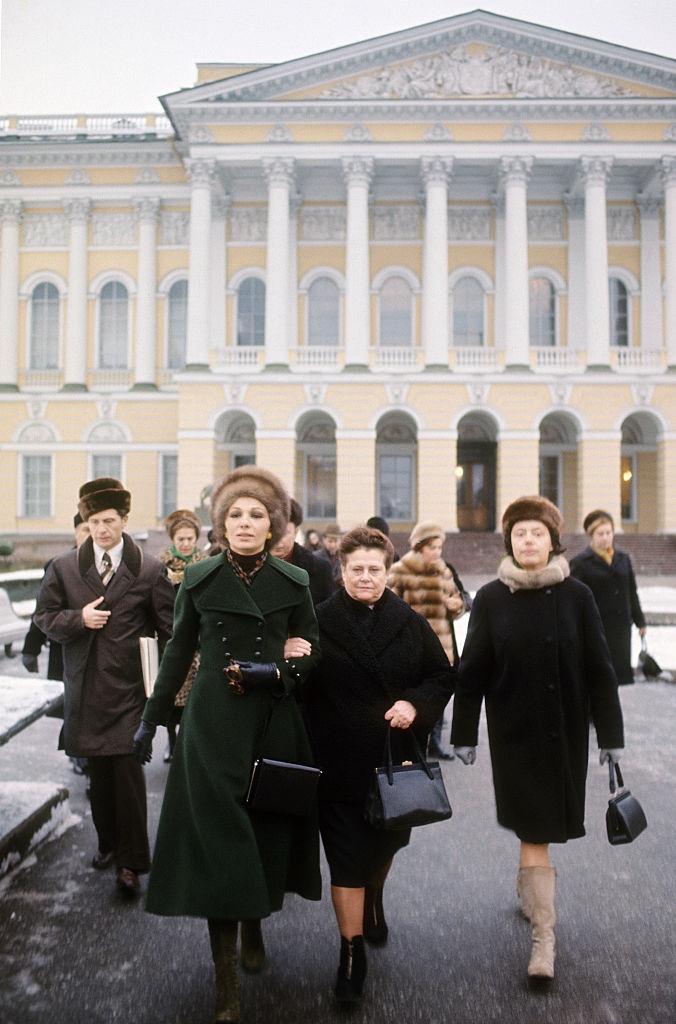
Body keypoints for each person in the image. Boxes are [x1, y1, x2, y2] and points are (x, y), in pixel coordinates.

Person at [133, 466, 321, 1024]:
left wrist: (279, 674)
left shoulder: (294, 583)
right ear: (221, 524)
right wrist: (150, 719)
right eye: (235, 514)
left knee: (261, 836)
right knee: (221, 846)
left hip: (272, 725)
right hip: (211, 726)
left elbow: (312, 654)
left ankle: (256, 925)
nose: (245, 522)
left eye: (256, 515)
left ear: (273, 526)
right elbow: (176, 653)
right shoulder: (199, 578)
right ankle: (226, 985)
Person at [451, 496, 624, 987]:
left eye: (537, 533)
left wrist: (611, 736)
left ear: (552, 541)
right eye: (520, 534)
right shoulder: (490, 598)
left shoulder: (578, 596)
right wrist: (465, 732)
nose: (529, 541)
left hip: (566, 731)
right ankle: (543, 939)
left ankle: (532, 896)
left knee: (541, 832)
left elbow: (600, 671)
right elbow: (472, 672)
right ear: (510, 542)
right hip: (515, 735)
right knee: (534, 831)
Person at [304, 525, 455, 1005]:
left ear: (386, 571)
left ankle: (375, 895)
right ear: (341, 571)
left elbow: (442, 675)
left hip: (395, 763)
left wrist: (414, 704)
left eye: (374, 569)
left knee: (384, 844)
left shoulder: (407, 621)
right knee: (346, 859)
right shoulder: (318, 620)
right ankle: (351, 953)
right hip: (338, 762)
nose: (366, 577)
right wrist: (292, 657)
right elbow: (299, 685)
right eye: (357, 570)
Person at [34, 478, 175, 898]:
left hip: (132, 692)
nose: (101, 529)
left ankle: (131, 863)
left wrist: (164, 686)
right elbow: (45, 616)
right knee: (100, 777)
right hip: (87, 688)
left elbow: (170, 629)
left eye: (109, 521)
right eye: (93, 521)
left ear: (125, 520)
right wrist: (79, 620)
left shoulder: (148, 569)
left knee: (128, 776)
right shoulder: (64, 567)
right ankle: (108, 843)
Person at [387, 522, 468, 760]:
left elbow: (457, 602)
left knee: (438, 695)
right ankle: (410, 746)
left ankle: (436, 743)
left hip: (441, 646)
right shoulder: (401, 570)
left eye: (439, 547)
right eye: (432, 547)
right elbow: (388, 606)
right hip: (409, 646)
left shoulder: (443, 570)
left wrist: (457, 606)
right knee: (411, 696)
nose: (437, 552)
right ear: (419, 546)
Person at [22, 513, 92, 776]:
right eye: (85, 528)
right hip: (64, 649)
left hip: (98, 651)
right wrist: (31, 648)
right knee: (72, 705)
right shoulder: (58, 565)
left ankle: (87, 756)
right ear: (75, 532)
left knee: (89, 706)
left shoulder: (109, 565)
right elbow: (42, 609)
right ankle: (78, 755)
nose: (90, 533)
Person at [570, 509, 646, 686]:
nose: (605, 537)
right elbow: (573, 600)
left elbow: (631, 592)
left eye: (608, 533)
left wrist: (640, 621)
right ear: (591, 536)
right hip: (596, 629)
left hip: (621, 628)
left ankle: (611, 712)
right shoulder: (580, 563)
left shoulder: (623, 558)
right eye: (600, 534)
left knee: (617, 678)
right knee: (598, 678)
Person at [159, 508, 207, 762]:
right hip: (171, 638)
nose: (186, 544)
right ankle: (171, 741)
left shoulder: (205, 563)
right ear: (173, 540)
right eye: (181, 539)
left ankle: (190, 743)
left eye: (190, 539)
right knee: (172, 696)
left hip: (200, 642)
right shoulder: (162, 566)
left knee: (195, 700)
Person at [270, 498, 335, 606]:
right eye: (272, 531)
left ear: (295, 532)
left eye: (285, 533)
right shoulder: (247, 567)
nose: (278, 540)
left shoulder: (320, 569)